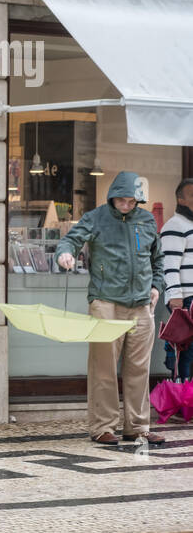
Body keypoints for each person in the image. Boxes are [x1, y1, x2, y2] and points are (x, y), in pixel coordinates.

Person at [56, 171, 165, 445]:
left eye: (131, 201)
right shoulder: (96, 217)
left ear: (137, 200)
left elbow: (158, 260)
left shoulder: (147, 220)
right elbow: (71, 240)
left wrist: (156, 287)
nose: (126, 205)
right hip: (106, 302)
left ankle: (138, 427)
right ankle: (103, 427)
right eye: (121, 200)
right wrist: (64, 254)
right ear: (112, 197)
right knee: (103, 367)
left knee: (139, 368)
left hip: (141, 305)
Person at [160, 178, 193, 379]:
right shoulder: (175, 224)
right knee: (185, 353)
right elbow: (169, 264)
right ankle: (183, 401)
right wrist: (175, 297)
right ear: (180, 200)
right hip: (186, 299)